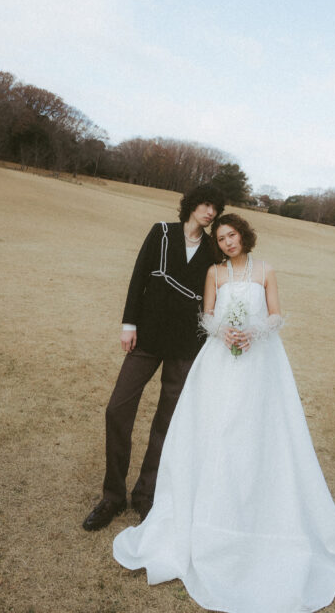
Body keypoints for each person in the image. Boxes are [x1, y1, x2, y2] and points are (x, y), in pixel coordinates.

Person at [113, 213, 335, 612]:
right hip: (219, 358)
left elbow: (276, 315)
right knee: (217, 429)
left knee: (257, 431)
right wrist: (221, 330)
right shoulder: (214, 273)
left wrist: (254, 331)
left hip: (260, 360)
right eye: (221, 238)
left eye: (232, 235)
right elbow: (207, 314)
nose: (227, 242)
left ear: (244, 236)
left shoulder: (266, 271)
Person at [82, 183, 225, 531]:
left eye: (215, 208)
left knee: (167, 422)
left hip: (187, 345)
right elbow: (138, 278)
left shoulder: (213, 249)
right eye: (205, 204)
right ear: (192, 204)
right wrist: (128, 324)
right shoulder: (161, 233)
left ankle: (145, 494)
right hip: (147, 337)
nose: (210, 212)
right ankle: (112, 496)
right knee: (117, 409)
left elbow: (222, 290)